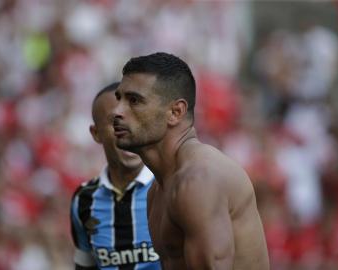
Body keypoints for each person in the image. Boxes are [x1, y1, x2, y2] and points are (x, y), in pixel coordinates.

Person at [112, 52, 269, 269]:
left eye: (134, 101)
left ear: (176, 112)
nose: (117, 111)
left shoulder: (197, 180)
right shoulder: (158, 190)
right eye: (119, 99)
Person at [70, 82, 161, 270]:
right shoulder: (84, 200)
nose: (128, 131)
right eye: (115, 122)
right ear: (96, 134)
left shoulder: (170, 187)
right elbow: (84, 265)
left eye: (137, 120)